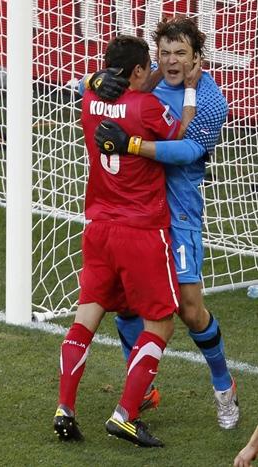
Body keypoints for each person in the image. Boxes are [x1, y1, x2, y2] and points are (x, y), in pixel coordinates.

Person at [89, 17, 239, 430]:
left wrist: (133, 144)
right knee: (126, 306)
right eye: (165, 53)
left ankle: (224, 387)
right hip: (137, 213)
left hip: (180, 213)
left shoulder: (211, 100)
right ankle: (142, 387)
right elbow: (102, 93)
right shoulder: (145, 84)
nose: (172, 61)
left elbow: (188, 150)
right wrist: (98, 79)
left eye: (181, 54)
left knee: (191, 311)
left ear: (196, 58)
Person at [53, 34, 199, 447]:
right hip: (141, 231)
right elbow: (179, 132)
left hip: (98, 227)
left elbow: (93, 86)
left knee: (86, 317)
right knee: (161, 322)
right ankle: (125, 415)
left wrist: (98, 79)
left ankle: (65, 407)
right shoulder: (148, 106)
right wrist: (189, 87)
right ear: (138, 71)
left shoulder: (89, 98)